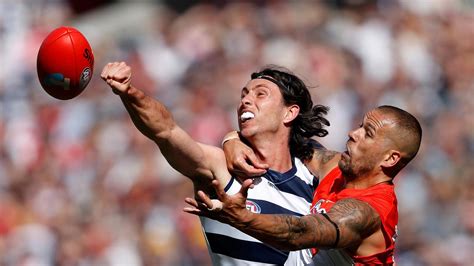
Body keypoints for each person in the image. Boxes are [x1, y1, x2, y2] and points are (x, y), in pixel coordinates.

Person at [100, 62, 330, 265]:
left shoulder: (315, 178)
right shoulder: (223, 169)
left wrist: (231, 138)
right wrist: (129, 93)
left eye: (261, 94)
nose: (245, 101)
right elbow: (166, 131)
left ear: (289, 113)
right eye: (244, 95)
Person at [184, 105, 422, 265]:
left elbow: (299, 233)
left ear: (390, 158)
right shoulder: (337, 168)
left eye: (367, 133)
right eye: (359, 126)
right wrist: (233, 138)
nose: (353, 133)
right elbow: (285, 141)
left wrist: (240, 217)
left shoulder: (366, 212)